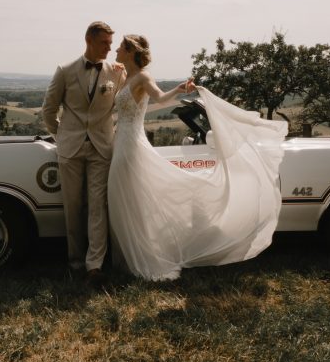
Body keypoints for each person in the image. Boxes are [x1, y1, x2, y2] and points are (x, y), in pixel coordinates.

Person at [108, 34, 288, 281]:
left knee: (132, 197)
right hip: (120, 142)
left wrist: (180, 89)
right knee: (123, 196)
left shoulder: (143, 77)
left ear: (130, 51)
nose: (116, 49)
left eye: (121, 47)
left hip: (130, 145)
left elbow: (160, 98)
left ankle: (145, 258)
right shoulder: (124, 75)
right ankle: (130, 257)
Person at [41, 21, 126, 286]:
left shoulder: (117, 73)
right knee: (73, 206)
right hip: (70, 148)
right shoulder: (65, 71)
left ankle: (94, 265)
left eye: (111, 45)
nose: (109, 49)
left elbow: (126, 101)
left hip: (102, 147)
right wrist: (63, 136)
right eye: (104, 44)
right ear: (88, 40)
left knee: (98, 205)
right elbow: (49, 110)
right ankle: (75, 260)